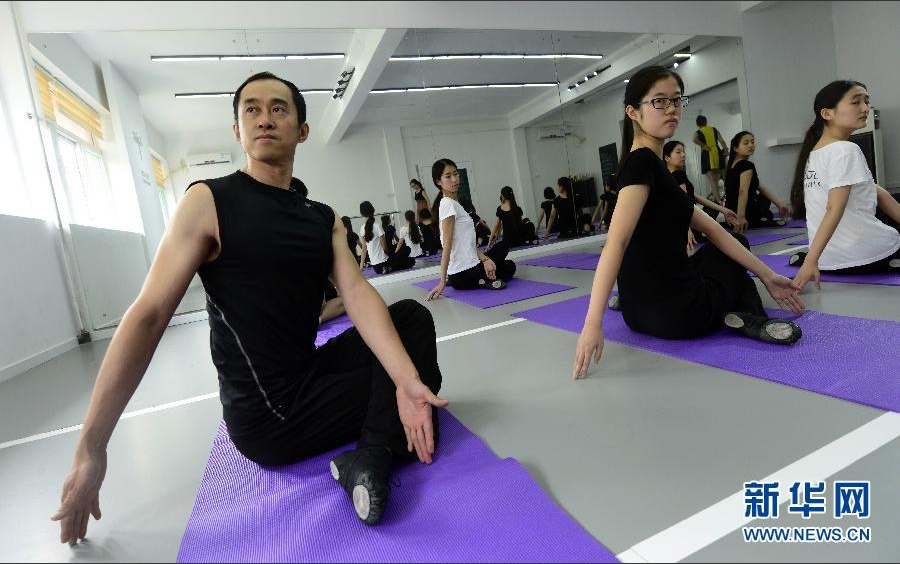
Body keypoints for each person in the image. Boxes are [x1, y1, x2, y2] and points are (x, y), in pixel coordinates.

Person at [51, 72, 448, 542]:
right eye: (251, 110)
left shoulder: (322, 217)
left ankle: (370, 453)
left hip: (310, 373)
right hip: (270, 416)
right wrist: (91, 447)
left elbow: (358, 294)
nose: (264, 119)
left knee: (411, 320)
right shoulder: (209, 201)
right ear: (237, 129)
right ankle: (381, 447)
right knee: (418, 383)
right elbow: (149, 314)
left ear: (302, 129)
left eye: (278, 109)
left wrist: (404, 380)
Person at [572, 66, 806, 380]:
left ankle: (734, 305)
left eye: (676, 100)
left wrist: (769, 276)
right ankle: (749, 314)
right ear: (633, 112)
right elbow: (616, 242)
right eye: (659, 101)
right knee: (737, 250)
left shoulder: (650, 166)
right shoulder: (642, 162)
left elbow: (710, 227)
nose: (671, 109)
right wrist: (592, 323)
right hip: (683, 316)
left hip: (638, 314)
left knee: (715, 251)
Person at [787, 80, 900, 289]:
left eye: (867, 101)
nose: (865, 108)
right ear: (827, 113)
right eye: (856, 102)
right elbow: (834, 208)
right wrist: (810, 262)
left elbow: (875, 191)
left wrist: (813, 258)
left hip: (829, 262)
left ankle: (804, 257)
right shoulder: (845, 150)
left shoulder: (813, 153)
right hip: (865, 259)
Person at [425, 158, 516, 299]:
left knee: (502, 247)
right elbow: (447, 246)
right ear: (438, 181)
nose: (454, 179)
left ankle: (480, 277)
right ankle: (481, 280)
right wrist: (442, 281)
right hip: (465, 272)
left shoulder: (453, 203)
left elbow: (466, 242)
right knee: (509, 266)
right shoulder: (448, 204)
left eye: (456, 174)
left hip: (465, 269)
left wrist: (485, 260)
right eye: (448, 176)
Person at [663, 140, 741, 251]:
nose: (683, 155)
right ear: (667, 158)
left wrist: (724, 210)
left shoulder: (669, 176)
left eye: (684, 152)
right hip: (684, 223)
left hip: (678, 224)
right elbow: (683, 204)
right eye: (678, 152)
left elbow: (694, 197)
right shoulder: (678, 174)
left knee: (712, 206)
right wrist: (687, 231)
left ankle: (701, 233)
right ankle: (698, 234)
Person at [724, 131, 791, 231]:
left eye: (752, 142)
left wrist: (780, 205)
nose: (750, 145)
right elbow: (742, 192)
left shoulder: (731, 166)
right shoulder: (747, 166)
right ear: (735, 148)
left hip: (730, 219)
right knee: (767, 210)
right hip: (742, 216)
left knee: (764, 197)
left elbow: (760, 187)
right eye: (746, 143)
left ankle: (760, 218)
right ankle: (759, 220)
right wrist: (740, 218)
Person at [358, 202, 414, 274]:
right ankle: (389, 267)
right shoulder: (377, 226)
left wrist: (361, 267)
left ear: (362, 214)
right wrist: (391, 256)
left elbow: (363, 249)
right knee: (410, 258)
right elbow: (385, 248)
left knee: (405, 260)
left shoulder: (362, 228)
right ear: (373, 210)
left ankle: (389, 268)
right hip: (385, 262)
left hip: (376, 268)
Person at [692, 115, 728, 204]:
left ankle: (719, 202)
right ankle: (728, 198)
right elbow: (722, 141)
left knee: (712, 181)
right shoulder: (714, 130)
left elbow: (694, 139)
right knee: (724, 178)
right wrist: (726, 150)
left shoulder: (697, 132)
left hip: (706, 155)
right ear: (706, 122)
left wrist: (703, 145)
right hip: (718, 153)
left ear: (697, 124)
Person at [544, 176, 578, 242]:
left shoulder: (557, 200)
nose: (558, 188)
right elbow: (578, 212)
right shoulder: (574, 198)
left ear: (562, 186)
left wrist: (547, 233)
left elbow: (552, 217)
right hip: (574, 227)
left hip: (565, 228)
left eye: (559, 186)